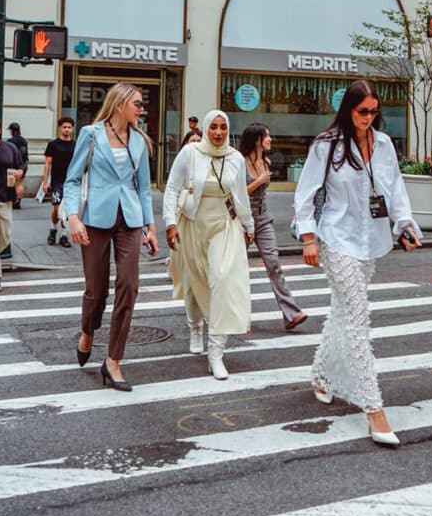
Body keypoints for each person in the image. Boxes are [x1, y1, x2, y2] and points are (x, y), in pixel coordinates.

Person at [294, 80, 422, 448]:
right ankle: (373, 408)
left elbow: (394, 190)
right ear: (348, 109)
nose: (369, 117)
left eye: (373, 111)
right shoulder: (327, 145)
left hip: (372, 240)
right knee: (356, 318)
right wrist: (307, 238)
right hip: (336, 237)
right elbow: (305, 193)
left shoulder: (383, 145)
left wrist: (405, 226)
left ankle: (321, 374)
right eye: (362, 111)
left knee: (342, 311)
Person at [64, 83, 158, 392]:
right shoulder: (91, 135)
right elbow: (73, 179)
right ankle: (88, 330)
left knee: (129, 287)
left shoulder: (141, 141)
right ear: (119, 105)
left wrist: (150, 226)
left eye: (141, 104)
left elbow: (143, 187)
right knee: (97, 290)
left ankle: (113, 360)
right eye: (137, 103)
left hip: (129, 219)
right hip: (95, 220)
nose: (140, 109)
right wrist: (73, 217)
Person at [163, 109, 254, 379]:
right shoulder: (191, 153)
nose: (217, 132)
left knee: (223, 282)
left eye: (222, 127)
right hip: (192, 225)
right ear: (205, 128)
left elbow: (240, 197)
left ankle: (216, 353)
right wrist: (169, 223)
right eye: (213, 127)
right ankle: (194, 328)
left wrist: (249, 226)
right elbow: (171, 188)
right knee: (195, 283)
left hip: (224, 226)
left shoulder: (236, 158)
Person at [239, 123, 308, 331]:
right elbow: (237, 195)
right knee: (236, 270)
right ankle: (232, 315)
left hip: (263, 218)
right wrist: (259, 180)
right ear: (256, 139)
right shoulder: (240, 163)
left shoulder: (266, 161)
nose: (270, 139)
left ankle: (291, 314)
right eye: (266, 136)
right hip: (242, 221)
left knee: (274, 263)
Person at [42, 117, 76, 248]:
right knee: (57, 208)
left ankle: (64, 235)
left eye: (69, 127)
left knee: (66, 209)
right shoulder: (53, 144)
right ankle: (53, 229)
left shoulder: (75, 145)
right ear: (60, 128)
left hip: (71, 182)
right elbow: (47, 164)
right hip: (57, 182)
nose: (67, 129)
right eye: (64, 127)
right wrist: (45, 182)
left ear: (72, 129)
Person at [0, 120, 23, 292]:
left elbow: (20, 166)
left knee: (5, 237)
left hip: (4, 198)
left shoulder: (9, 148)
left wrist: (19, 179)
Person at [6, 121, 28, 209]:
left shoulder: (10, 141)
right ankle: (18, 201)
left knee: (11, 183)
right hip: (23, 164)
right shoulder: (23, 140)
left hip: (13, 164)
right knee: (20, 183)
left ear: (12, 130)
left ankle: (13, 200)